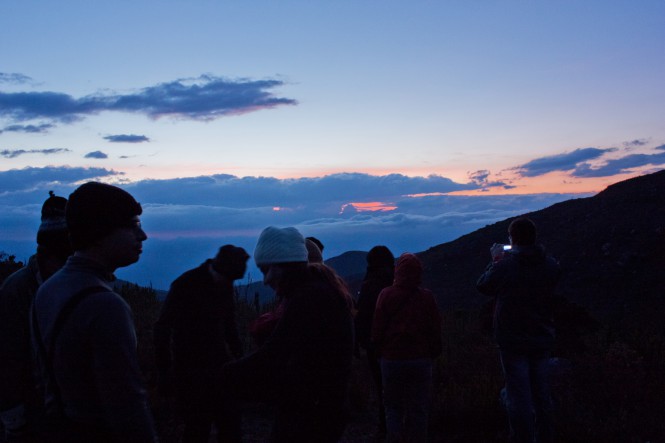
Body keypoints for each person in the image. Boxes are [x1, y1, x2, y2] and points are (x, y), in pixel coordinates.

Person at [31, 182, 156, 443]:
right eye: (133, 225)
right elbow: (127, 405)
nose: (142, 235)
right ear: (100, 232)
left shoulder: (48, 290)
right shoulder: (105, 305)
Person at [224, 226, 354, 443]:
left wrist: (219, 377)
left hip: (312, 414)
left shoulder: (308, 297)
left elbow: (273, 354)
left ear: (282, 265)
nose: (265, 280)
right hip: (321, 408)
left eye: (266, 270)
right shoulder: (317, 290)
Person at [476, 217, 561, 443]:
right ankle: (545, 437)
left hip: (512, 340)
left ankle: (523, 438)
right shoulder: (551, 265)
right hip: (542, 337)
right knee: (542, 395)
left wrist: (496, 260)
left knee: (518, 396)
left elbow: (483, 285)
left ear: (512, 239)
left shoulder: (506, 266)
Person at [153, 245, 248, 443]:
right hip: (190, 370)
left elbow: (229, 324)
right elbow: (163, 327)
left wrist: (239, 357)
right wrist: (164, 370)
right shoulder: (185, 284)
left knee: (230, 425)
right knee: (197, 427)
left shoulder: (224, 281)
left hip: (220, 366)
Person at [0, 192, 72, 442]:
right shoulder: (17, 290)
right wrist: (14, 420)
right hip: (32, 415)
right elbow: (7, 357)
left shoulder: (71, 284)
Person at [371, 253, 442, 443]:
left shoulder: (386, 295)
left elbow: (378, 327)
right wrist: (434, 352)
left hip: (392, 359)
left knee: (393, 407)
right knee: (418, 408)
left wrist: (377, 351)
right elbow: (435, 328)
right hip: (420, 359)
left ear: (398, 271)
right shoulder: (426, 297)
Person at [354, 245, 394, 440]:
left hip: (375, 346)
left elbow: (362, 315)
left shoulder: (369, 285)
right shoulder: (398, 282)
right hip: (402, 345)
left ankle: (385, 427)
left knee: (382, 388)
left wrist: (362, 341)